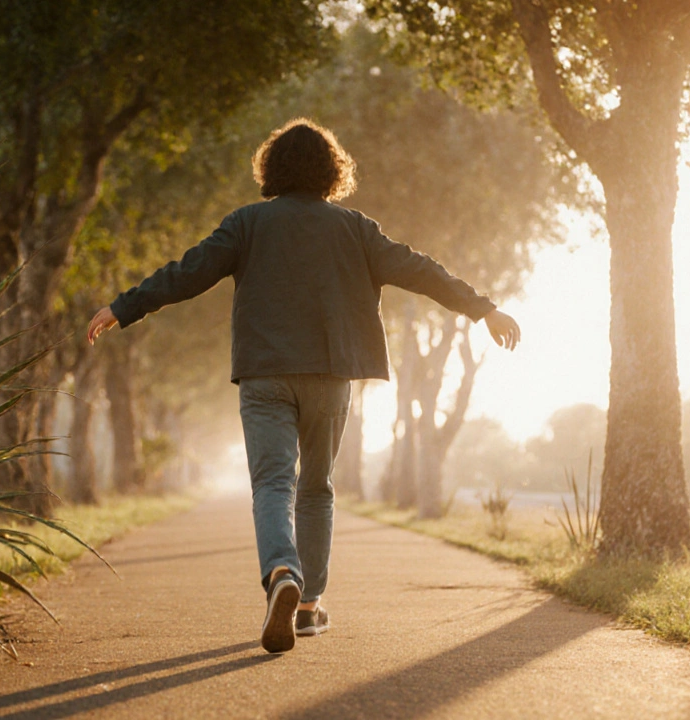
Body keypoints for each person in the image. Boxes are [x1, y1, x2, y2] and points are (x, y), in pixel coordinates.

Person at [87, 118, 521, 654]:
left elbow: (188, 272)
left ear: (270, 169)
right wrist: (484, 309)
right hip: (331, 376)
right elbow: (421, 270)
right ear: (332, 172)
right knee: (317, 489)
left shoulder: (247, 224)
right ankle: (310, 606)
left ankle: (282, 574)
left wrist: (122, 307)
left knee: (273, 484)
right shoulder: (356, 228)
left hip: (266, 374)